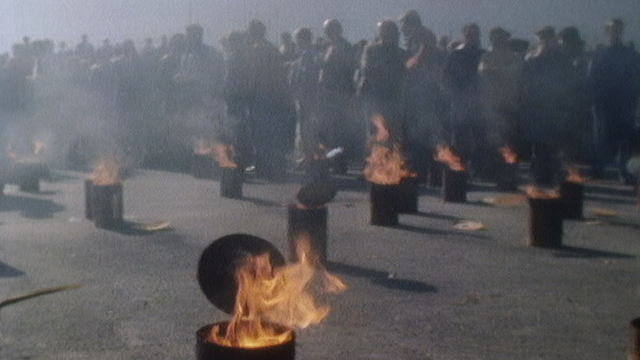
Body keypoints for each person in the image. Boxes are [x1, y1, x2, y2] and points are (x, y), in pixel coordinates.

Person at [588, 19, 640, 183]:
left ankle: (624, 173)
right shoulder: (600, 55)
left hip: (624, 104)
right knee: (601, 138)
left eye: (617, 30)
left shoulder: (630, 55)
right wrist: (595, 100)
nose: (614, 33)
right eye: (611, 30)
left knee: (625, 140)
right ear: (606, 32)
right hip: (603, 104)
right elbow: (592, 79)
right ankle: (597, 170)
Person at [521, 26, 573, 184]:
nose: (544, 39)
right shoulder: (532, 56)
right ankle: (539, 174)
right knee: (538, 143)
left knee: (554, 143)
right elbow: (525, 78)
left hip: (555, 105)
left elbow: (567, 79)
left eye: (547, 36)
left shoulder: (560, 57)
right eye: (541, 36)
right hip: (536, 105)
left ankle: (552, 173)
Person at [400, 10, 447, 181]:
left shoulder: (424, 35)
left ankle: (431, 173)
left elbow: (422, 56)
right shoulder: (414, 37)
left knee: (425, 132)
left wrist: (403, 65)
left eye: (403, 24)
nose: (402, 28)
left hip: (426, 91)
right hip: (416, 91)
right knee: (418, 133)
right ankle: (423, 172)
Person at [246, 20, 296, 180]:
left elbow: (254, 74)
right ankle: (277, 167)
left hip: (262, 95)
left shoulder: (257, 49)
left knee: (261, 133)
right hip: (277, 95)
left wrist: (249, 92)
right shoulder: (272, 48)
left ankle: (263, 167)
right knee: (274, 133)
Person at [443, 23, 486, 176]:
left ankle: (478, 168)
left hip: (478, 100)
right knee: (459, 135)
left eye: (475, 35)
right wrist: (454, 93)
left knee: (479, 135)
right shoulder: (456, 55)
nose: (472, 38)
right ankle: (458, 167)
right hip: (459, 100)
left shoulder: (483, 54)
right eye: (469, 35)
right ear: (464, 37)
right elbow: (446, 77)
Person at [478, 27, 523, 170]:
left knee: (509, 138)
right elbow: (483, 71)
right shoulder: (486, 56)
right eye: (495, 39)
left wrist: (495, 71)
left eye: (501, 39)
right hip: (491, 104)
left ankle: (509, 171)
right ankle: (493, 169)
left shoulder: (514, 57)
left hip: (508, 103)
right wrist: (500, 71)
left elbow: (513, 73)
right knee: (492, 139)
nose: (498, 42)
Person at [317, 19, 357, 174]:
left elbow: (344, 69)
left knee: (338, 131)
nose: (326, 34)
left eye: (328, 30)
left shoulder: (343, 46)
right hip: (329, 95)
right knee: (331, 131)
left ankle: (339, 164)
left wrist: (325, 64)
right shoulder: (331, 46)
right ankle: (333, 162)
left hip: (339, 96)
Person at [357, 20, 407, 140]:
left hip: (390, 98)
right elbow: (366, 72)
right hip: (377, 98)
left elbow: (366, 72)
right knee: (377, 130)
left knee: (388, 130)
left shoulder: (399, 53)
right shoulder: (373, 50)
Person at [289, 27, 321, 164]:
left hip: (309, 98)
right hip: (305, 98)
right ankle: (308, 155)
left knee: (308, 129)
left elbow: (308, 77)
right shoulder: (306, 55)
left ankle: (310, 157)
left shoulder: (310, 56)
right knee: (305, 129)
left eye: (297, 39)